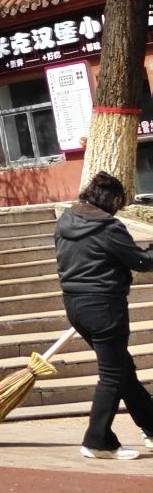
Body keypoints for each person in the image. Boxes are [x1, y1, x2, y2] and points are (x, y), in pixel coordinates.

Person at [53, 170, 153, 461]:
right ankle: (97, 440)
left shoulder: (66, 221)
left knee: (123, 369)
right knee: (112, 376)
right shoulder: (108, 228)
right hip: (104, 308)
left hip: (75, 307)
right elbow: (141, 261)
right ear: (112, 200)